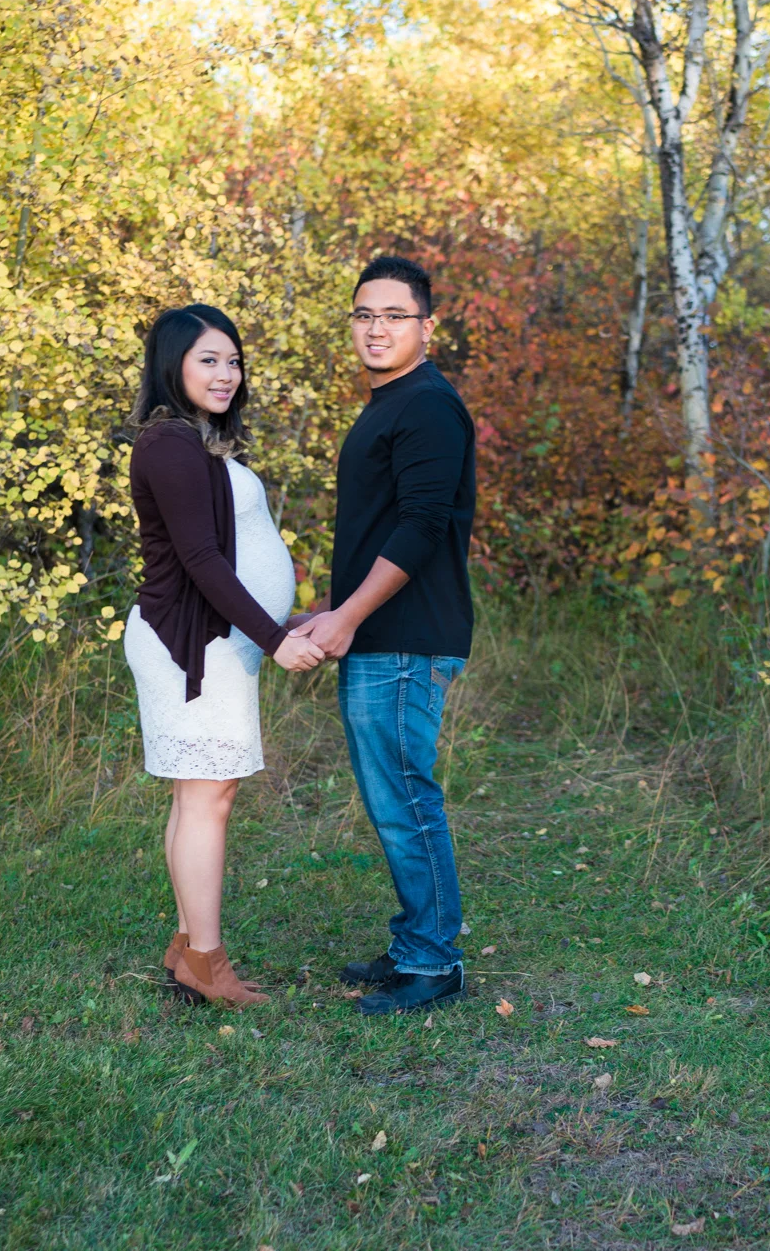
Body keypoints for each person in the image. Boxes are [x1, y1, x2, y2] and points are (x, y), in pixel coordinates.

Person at [289, 255, 477, 1016]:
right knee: (393, 799)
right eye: (365, 314)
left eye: (395, 316)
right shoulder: (393, 403)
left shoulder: (427, 405)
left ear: (427, 327)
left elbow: (422, 528)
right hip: (383, 632)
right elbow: (381, 531)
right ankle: (414, 945)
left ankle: (434, 964)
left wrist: (347, 618)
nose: (377, 328)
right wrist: (330, 611)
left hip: (406, 638)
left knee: (406, 802)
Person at [125, 303, 325, 1009]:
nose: (226, 373)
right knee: (207, 796)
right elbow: (201, 559)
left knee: (203, 794)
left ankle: (188, 949)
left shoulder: (200, 440)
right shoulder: (169, 443)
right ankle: (207, 963)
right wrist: (275, 639)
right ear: (172, 364)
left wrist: (281, 619)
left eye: (233, 361)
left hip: (217, 640)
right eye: (208, 359)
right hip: (191, 647)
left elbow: (230, 552)